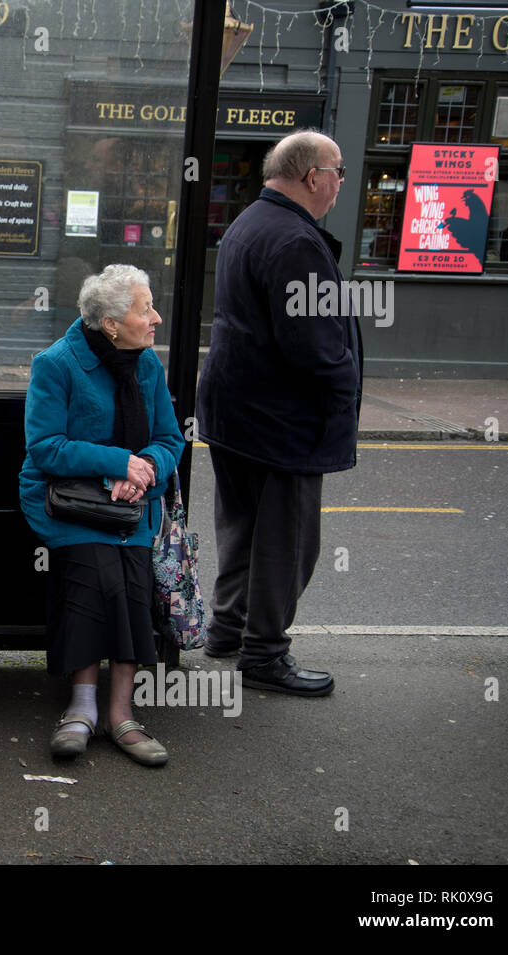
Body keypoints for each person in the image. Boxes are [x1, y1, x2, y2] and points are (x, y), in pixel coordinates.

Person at [196, 128, 362, 696]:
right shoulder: (295, 240)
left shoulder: (251, 221)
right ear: (314, 177)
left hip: (237, 410)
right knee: (286, 542)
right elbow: (313, 345)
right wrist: (347, 381)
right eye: (337, 171)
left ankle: (226, 629)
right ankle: (264, 654)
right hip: (282, 421)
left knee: (241, 525)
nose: (341, 182)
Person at [19, 265, 183, 765]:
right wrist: (117, 463)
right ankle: (82, 707)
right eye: (144, 309)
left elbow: (170, 440)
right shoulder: (58, 363)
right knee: (92, 575)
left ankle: (121, 714)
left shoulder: (148, 364)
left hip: (131, 506)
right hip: (70, 502)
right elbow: (45, 447)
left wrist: (146, 468)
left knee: (133, 582)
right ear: (111, 323)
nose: (155, 318)